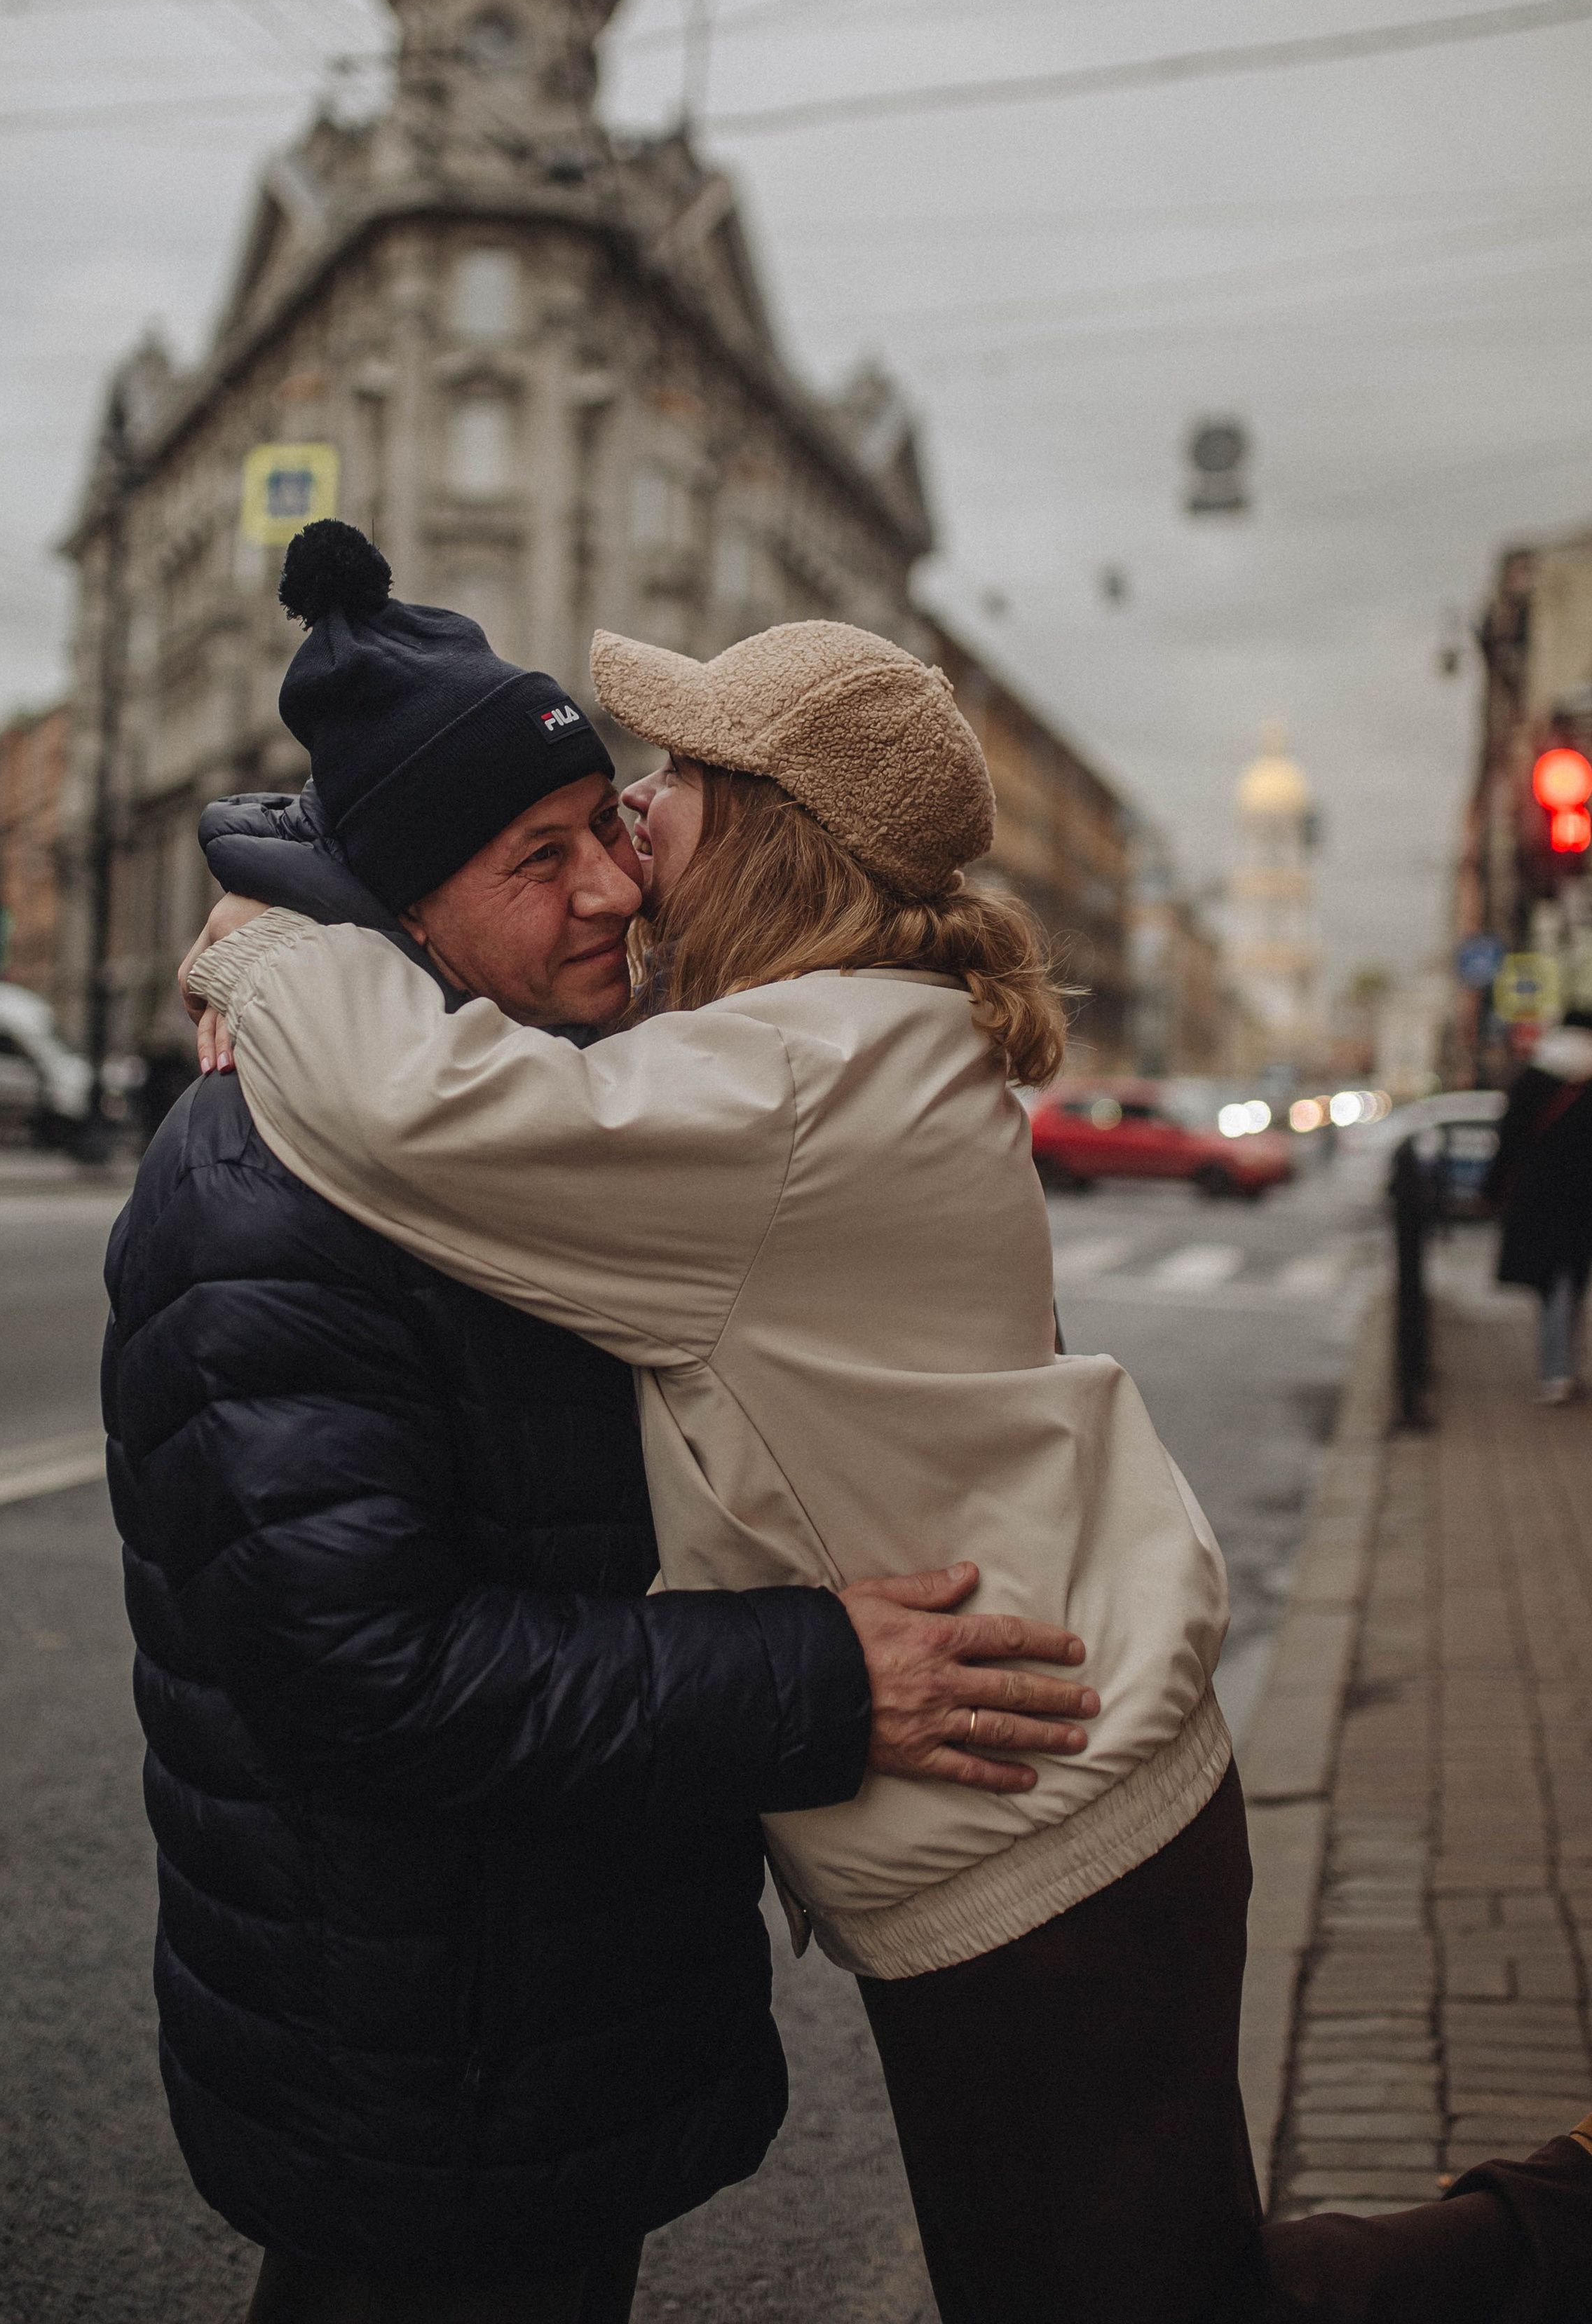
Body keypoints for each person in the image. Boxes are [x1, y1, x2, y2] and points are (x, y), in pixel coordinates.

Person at [185, 550, 1592, 2324]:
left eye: (675, 778)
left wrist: (269, 935)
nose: (638, 810)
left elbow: (411, 1113)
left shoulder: (783, 1082)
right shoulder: (842, 1036)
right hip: (1052, 1799)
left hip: (1041, 1830)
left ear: (769, 832)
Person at [105, 520, 1094, 2324]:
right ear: (401, 913)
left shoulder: (584, 1107)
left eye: (608, 831)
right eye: (537, 857)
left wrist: (269, 935)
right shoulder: (267, 1175)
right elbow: (356, 1666)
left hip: (553, 1987)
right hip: (429, 2028)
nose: (616, 891)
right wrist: (815, 1676)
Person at [1487, 1008, 1592, 1402]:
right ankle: (1562, 1367)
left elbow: (1509, 1140)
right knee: (1570, 1282)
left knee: (1551, 1285)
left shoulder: (1534, 1078)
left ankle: (1557, 1371)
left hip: (1539, 1199)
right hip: (1581, 1201)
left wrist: (1492, 1189)